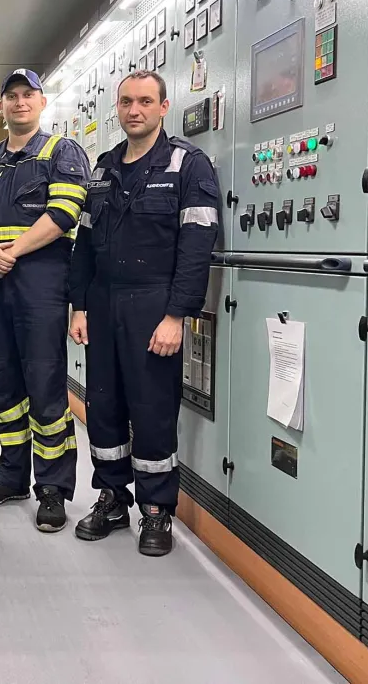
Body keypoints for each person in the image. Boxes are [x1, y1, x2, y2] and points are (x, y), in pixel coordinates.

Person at [68, 70, 220, 557]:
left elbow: (198, 247)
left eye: (145, 102)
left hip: (154, 303)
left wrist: (177, 314)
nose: (134, 110)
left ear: (163, 107)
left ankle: (156, 511)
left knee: (153, 408)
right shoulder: (103, 167)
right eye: (127, 101)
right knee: (103, 405)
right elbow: (84, 244)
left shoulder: (188, 164)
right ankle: (113, 497)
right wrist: (80, 305)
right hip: (104, 300)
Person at [0, 68, 90, 533]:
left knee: (45, 381)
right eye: (10, 96)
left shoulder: (61, 151)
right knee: (2, 382)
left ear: (41, 102)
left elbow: (64, 212)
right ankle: (12, 475)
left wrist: (9, 253)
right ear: (1, 106)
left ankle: (52, 488)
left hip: (41, 279)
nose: (19, 103)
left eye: (27, 95)